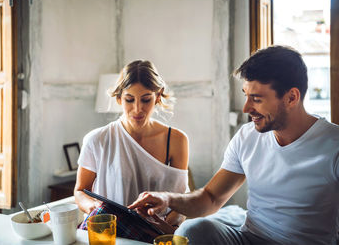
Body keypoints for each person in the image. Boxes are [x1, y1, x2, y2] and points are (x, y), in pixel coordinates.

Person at [129, 45, 339, 244]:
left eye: (256, 99)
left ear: (291, 97)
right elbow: (210, 198)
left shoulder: (333, 146)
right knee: (191, 230)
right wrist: (167, 199)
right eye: (246, 96)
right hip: (248, 239)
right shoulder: (247, 137)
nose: (246, 108)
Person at [74, 60, 189, 234]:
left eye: (146, 100)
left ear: (158, 97)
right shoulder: (96, 140)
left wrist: (167, 227)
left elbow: (181, 201)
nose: (137, 109)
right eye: (129, 100)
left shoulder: (176, 140)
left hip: (156, 233)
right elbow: (80, 191)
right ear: (119, 98)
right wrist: (95, 208)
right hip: (110, 231)